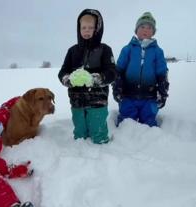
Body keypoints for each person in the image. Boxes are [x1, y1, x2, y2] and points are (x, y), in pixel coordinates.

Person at [58, 8, 116, 144]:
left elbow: (112, 72)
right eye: (83, 27)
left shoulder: (105, 50)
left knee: (98, 135)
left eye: (91, 27)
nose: (86, 30)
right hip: (76, 102)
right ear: (79, 29)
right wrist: (67, 79)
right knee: (79, 135)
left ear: (98, 29)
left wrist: (97, 79)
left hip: (98, 102)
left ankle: (104, 156)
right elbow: (62, 71)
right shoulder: (72, 51)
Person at [113, 12, 169, 127]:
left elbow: (162, 73)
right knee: (126, 122)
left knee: (149, 121)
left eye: (149, 28)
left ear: (153, 32)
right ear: (136, 30)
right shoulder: (127, 49)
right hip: (128, 95)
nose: (145, 30)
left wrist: (162, 91)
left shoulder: (158, 51)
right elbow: (119, 70)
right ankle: (123, 142)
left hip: (149, 96)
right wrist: (117, 87)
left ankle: (150, 142)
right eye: (142, 27)